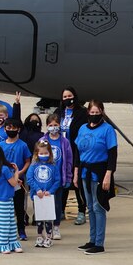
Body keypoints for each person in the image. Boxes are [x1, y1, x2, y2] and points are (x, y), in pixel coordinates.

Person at [75, 100, 117, 255]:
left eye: (97, 112)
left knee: (98, 207)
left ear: (102, 112)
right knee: (90, 207)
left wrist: (108, 174)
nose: (94, 115)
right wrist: (76, 172)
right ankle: (92, 239)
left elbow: (113, 154)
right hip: (85, 171)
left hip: (99, 171)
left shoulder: (108, 130)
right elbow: (78, 152)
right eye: (91, 113)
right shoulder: (82, 128)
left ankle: (99, 243)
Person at [54, 86, 89, 225]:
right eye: (65, 97)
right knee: (63, 182)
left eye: (70, 96)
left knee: (77, 181)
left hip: (76, 151)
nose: (67, 99)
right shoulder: (59, 112)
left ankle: (81, 210)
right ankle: (61, 210)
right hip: (61, 151)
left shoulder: (82, 112)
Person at [41, 113, 73, 240]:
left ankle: (56, 227)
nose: (53, 127)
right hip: (45, 179)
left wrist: (68, 176)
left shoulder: (64, 142)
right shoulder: (43, 141)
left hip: (59, 179)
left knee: (57, 204)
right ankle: (46, 227)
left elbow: (69, 160)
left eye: (55, 125)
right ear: (47, 126)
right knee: (46, 204)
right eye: (50, 125)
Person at [0, 118, 32, 240]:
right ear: (5, 129)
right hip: (5, 181)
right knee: (6, 208)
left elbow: (27, 161)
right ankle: (7, 231)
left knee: (19, 207)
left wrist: (21, 172)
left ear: (18, 129)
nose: (11, 130)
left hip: (19, 180)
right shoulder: (1, 145)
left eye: (14, 128)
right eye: (9, 128)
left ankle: (21, 230)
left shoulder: (23, 145)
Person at [0, 145, 23, 254]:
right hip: (5, 199)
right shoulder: (5, 169)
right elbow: (13, 183)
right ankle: (3, 244)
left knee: (10, 221)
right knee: (5, 223)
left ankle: (12, 243)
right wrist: (16, 172)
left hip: (1, 198)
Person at [27, 140, 61, 248]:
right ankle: (39, 235)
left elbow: (57, 180)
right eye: (41, 153)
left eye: (46, 153)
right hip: (37, 196)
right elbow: (30, 178)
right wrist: (37, 189)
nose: (43, 155)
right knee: (39, 217)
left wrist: (50, 191)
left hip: (48, 196)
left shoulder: (53, 166)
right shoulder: (33, 165)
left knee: (48, 217)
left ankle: (48, 236)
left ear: (50, 153)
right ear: (36, 154)